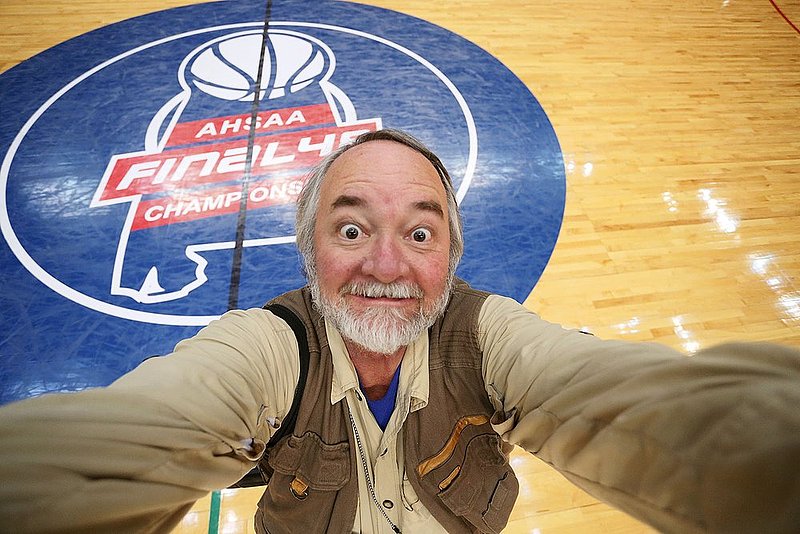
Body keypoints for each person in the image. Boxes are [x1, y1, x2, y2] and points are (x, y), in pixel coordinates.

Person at [1, 128, 799, 534]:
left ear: (452, 254)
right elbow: (128, 440)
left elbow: (627, 401)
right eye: (351, 230)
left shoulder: (492, 339)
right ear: (309, 248)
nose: (386, 261)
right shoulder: (266, 349)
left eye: (420, 234)